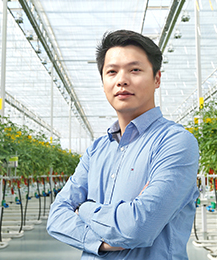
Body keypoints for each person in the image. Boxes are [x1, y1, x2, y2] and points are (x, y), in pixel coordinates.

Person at [47, 29, 199, 259]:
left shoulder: (175, 142)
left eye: (135, 70)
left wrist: (84, 209)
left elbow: (137, 227)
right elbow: (56, 217)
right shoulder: (97, 150)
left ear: (157, 78)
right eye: (112, 72)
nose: (122, 80)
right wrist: (99, 243)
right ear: (103, 81)